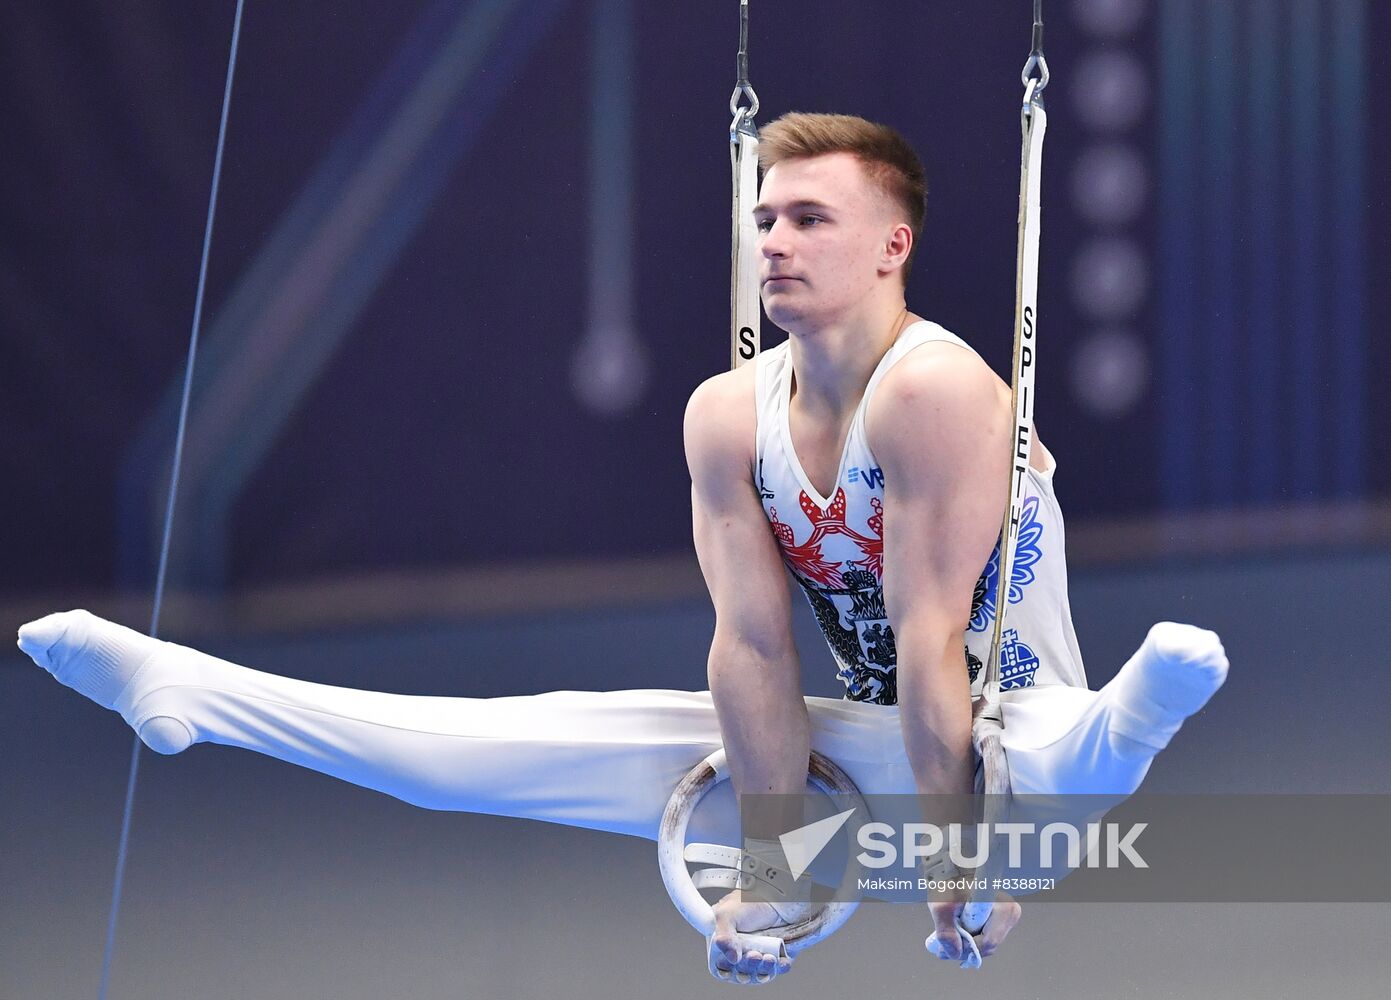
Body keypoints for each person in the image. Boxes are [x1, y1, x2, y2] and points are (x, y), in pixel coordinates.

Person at [16, 112, 1229, 986]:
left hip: (1002, 737)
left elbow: (927, 644)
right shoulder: (722, 415)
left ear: (889, 246)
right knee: (501, 745)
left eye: (810, 217)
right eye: (763, 218)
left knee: (1070, 760)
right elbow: (749, 647)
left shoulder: (933, 391)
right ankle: (199, 694)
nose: (774, 243)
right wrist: (775, 859)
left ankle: (1146, 702)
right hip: (872, 754)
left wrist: (971, 869)